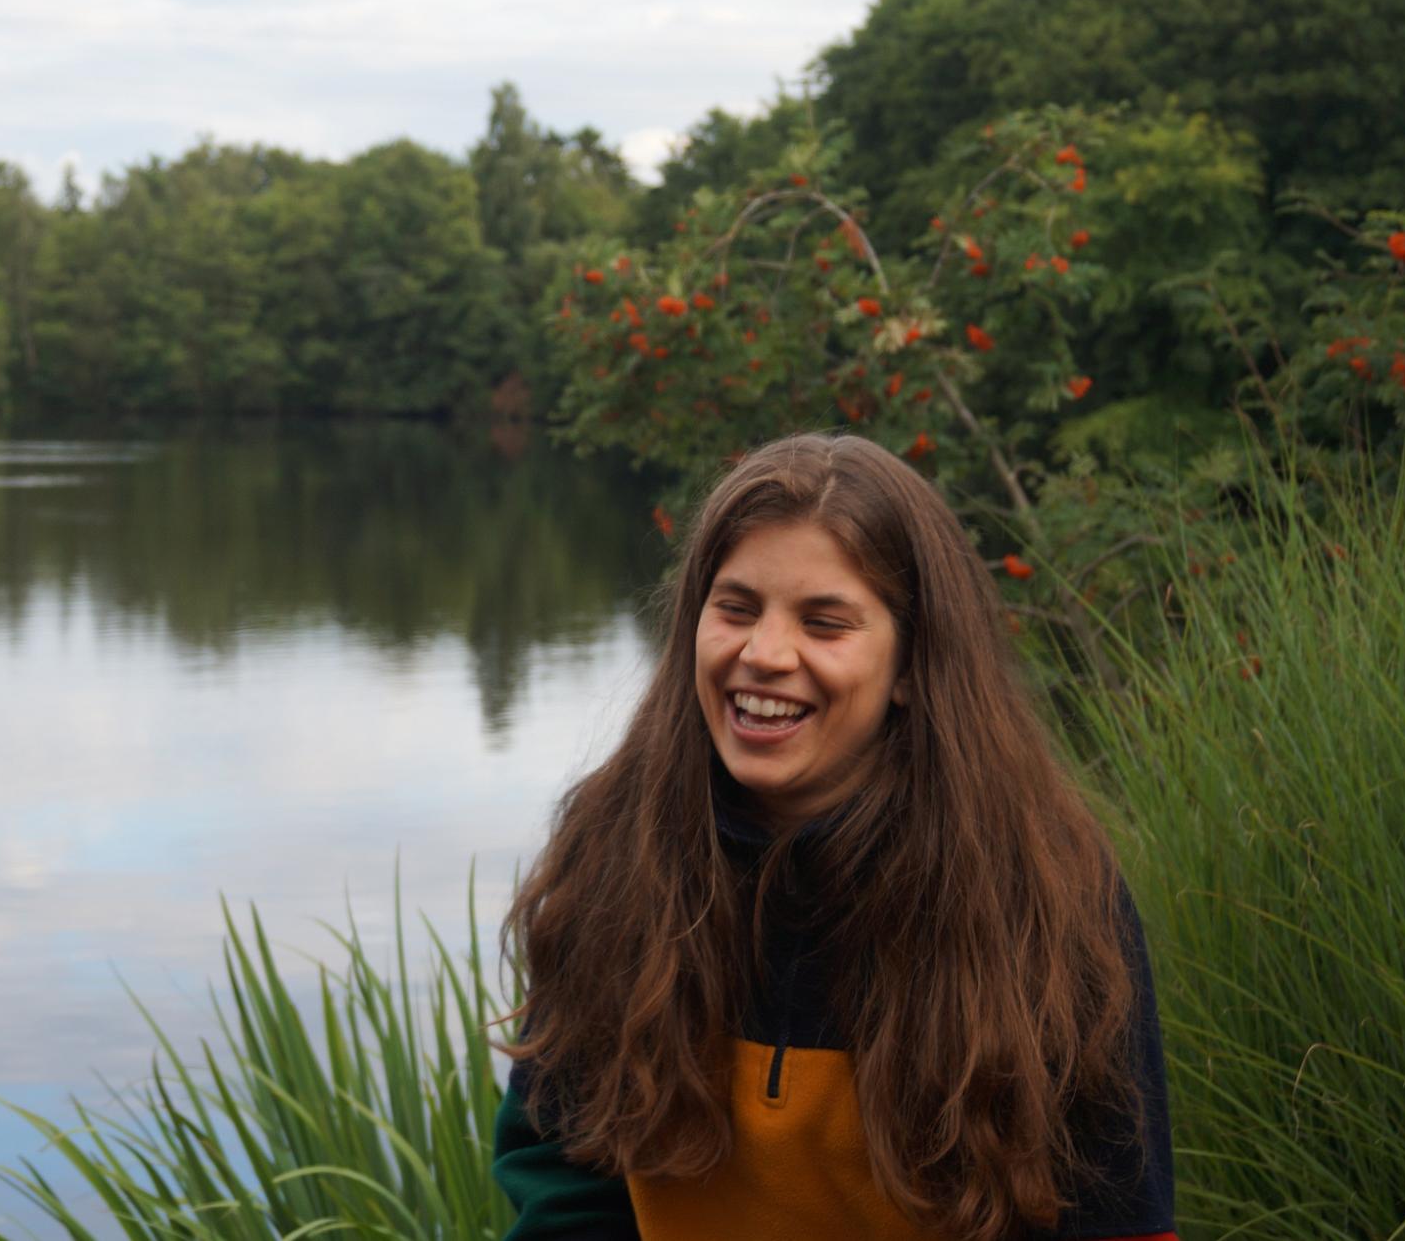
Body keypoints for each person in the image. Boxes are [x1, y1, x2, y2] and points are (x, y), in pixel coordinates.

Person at [494, 434, 1174, 1241]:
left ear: (912, 665)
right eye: (735, 608)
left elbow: (1114, 1221)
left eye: (824, 623)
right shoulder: (613, 855)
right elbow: (562, 1165)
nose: (763, 654)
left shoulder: (1049, 896)